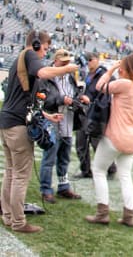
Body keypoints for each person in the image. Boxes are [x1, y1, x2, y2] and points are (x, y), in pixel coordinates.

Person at [0, 30, 78, 233]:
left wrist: (46, 116)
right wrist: (66, 68)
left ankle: (8, 217)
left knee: (10, 172)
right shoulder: (29, 55)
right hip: (17, 125)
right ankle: (18, 222)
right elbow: (43, 73)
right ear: (36, 45)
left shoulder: (18, 60)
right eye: (44, 49)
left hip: (7, 122)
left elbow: (24, 101)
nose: (44, 54)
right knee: (20, 175)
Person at [85, 53, 133, 227]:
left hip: (115, 136)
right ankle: (129, 215)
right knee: (126, 176)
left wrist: (112, 69)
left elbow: (99, 86)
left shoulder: (125, 84)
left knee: (98, 170)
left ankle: (102, 212)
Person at [36, 49, 83, 203]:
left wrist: (79, 99)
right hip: (52, 121)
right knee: (49, 158)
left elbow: (75, 94)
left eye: (67, 62)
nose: (66, 65)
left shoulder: (70, 78)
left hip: (68, 121)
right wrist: (61, 99)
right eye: (63, 62)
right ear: (55, 61)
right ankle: (46, 189)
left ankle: (63, 187)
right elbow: (42, 100)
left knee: (64, 158)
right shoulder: (46, 76)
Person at [75, 52, 116, 179]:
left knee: (96, 143)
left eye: (90, 60)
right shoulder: (89, 75)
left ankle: (111, 168)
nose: (88, 62)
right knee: (81, 142)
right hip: (85, 112)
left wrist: (92, 100)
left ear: (97, 60)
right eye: (86, 60)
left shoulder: (104, 75)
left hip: (97, 114)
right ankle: (85, 170)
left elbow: (107, 94)